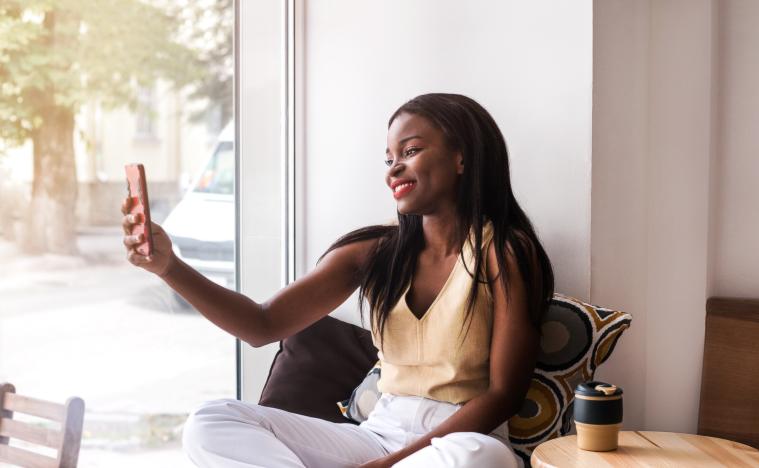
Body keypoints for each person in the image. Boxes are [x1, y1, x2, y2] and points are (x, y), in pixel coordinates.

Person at [121, 93, 554, 468]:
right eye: (389, 159)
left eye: (410, 151)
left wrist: (391, 463)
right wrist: (169, 267)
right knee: (210, 422)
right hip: (375, 435)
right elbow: (260, 325)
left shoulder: (505, 253)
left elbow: (503, 394)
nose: (393, 169)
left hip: (457, 442)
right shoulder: (374, 252)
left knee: (484, 459)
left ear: (463, 157)